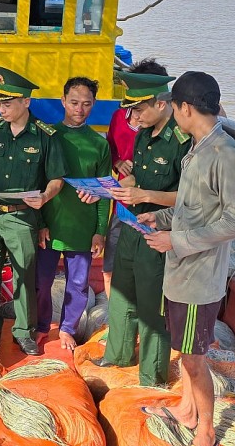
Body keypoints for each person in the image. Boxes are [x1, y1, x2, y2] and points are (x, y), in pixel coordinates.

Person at [139, 72, 235, 446]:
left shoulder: (224, 154)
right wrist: (161, 218)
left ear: (185, 108)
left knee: (193, 359)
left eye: (174, 108)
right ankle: (187, 410)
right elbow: (193, 208)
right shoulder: (197, 148)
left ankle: (205, 429)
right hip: (181, 271)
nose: (174, 115)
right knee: (185, 350)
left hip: (199, 278)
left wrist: (178, 240)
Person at [93, 65, 192, 387]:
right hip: (131, 226)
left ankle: (152, 375)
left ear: (161, 104)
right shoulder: (143, 137)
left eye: (138, 108)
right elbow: (136, 175)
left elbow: (191, 197)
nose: (133, 116)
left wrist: (144, 194)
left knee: (152, 306)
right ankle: (118, 354)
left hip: (159, 235)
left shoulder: (181, 142)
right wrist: (123, 186)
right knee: (121, 294)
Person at [0, 67, 66, 356]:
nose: (2, 108)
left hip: (22, 217)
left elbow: (56, 179)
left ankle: (24, 332)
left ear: (26, 102)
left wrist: (45, 196)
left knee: (25, 275)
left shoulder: (45, 135)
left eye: (8, 103)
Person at [35, 77, 110, 350]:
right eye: (74, 102)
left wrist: (100, 230)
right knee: (41, 281)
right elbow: (36, 184)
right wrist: (40, 222)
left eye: (87, 104)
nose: (80, 109)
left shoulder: (99, 144)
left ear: (94, 105)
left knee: (78, 285)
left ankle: (68, 328)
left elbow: (104, 191)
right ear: (63, 101)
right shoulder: (48, 137)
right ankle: (43, 325)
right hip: (50, 224)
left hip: (83, 227)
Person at [102, 72, 142, 299]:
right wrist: (117, 161)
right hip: (121, 201)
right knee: (110, 265)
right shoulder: (119, 116)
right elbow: (110, 147)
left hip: (147, 203)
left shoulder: (162, 125)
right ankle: (112, 318)